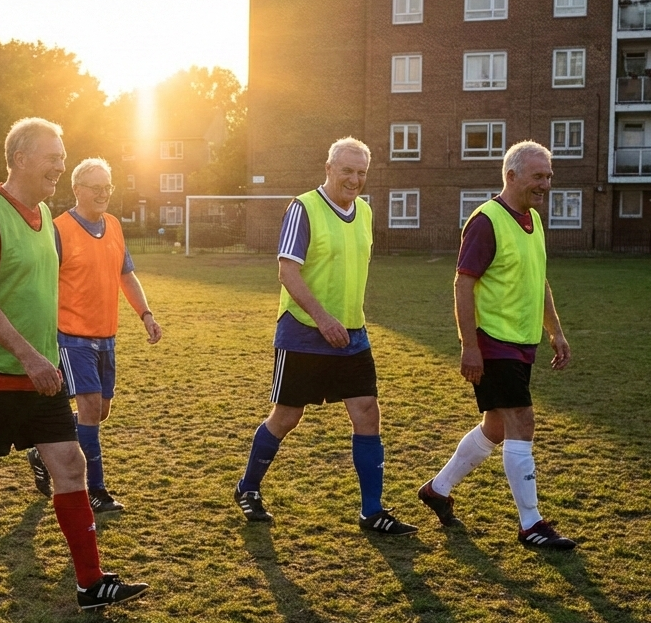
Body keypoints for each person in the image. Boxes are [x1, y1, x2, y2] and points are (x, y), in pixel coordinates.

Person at [0, 117, 149, 610]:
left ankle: (90, 583)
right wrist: (28, 356)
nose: (60, 164)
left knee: (71, 464)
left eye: (62, 155)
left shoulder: (46, 214)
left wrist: (48, 356)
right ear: (21, 158)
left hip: (41, 372)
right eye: (52, 156)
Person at [233, 137, 417, 535]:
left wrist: (346, 321)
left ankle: (372, 511)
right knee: (286, 416)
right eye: (347, 170)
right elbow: (287, 271)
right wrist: (322, 318)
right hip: (303, 332)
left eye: (361, 172)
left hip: (352, 334)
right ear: (329, 168)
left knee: (367, 411)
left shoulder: (365, 212)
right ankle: (247, 487)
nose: (354, 179)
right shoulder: (305, 208)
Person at [417, 141, 575, 549]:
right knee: (522, 421)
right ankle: (531, 524)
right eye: (538, 176)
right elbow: (463, 282)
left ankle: (438, 488)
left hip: (522, 344)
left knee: (497, 426)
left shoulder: (534, 222)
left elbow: (537, 280)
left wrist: (554, 331)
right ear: (512, 175)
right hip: (493, 343)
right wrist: (469, 346)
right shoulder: (486, 220)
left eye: (549, 176)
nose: (546, 184)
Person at [25, 158, 162, 513]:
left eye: (108, 188)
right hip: (71, 336)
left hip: (107, 335)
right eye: (96, 188)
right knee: (88, 408)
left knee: (100, 411)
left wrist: (145, 314)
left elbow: (126, 275)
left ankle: (42, 447)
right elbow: (41, 283)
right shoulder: (58, 229)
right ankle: (94, 490)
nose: (103, 194)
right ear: (77, 190)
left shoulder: (114, 225)